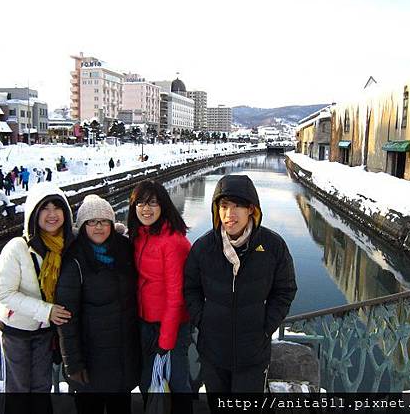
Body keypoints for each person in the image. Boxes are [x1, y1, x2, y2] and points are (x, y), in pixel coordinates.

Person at [183, 175, 297, 403]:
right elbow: (190, 288)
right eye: (224, 206)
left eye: (237, 206)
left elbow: (285, 290)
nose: (229, 214)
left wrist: (266, 325)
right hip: (213, 352)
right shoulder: (204, 248)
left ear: (251, 210)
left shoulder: (273, 246)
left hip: (253, 353)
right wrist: (202, 320)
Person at [56, 195, 140, 414]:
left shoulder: (124, 249)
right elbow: (67, 319)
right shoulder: (74, 259)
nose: (98, 227)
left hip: (123, 356)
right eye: (91, 222)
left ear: (112, 225)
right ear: (82, 226)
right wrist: (73, 364)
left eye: (104, 221)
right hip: (90, 360)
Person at [0, 182, 73, 413]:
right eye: (44, 208)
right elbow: (5, 294)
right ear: (33, 214)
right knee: (19, 388)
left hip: (46, 332)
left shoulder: (66, 245)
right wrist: (46, 310)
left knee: (41, 386)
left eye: (57, 208)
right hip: (16, 330)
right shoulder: (16, 248)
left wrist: (117, 234)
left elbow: (95, 234)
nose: (51, 214)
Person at [127, 180, 192, 414]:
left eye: (153, 203)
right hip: (146, 321)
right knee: (147, 381)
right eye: (141, 203)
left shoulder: (172, 242)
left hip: (171, 325)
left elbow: (176, 297)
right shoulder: (140, 235)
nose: (146, 209)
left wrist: (166, 341)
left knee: (176, 383)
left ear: (163, 206)